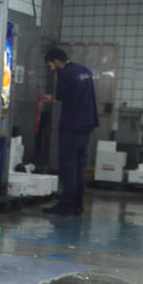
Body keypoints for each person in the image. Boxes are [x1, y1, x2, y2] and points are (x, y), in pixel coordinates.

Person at [43, 47, 98, 216]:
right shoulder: (85, 71)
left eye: (50, 65)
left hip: (71, 126)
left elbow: (59, 99)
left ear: (57, 61)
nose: (51, 69)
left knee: (68, 166)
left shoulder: (65, 74)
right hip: (87, 124)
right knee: (80, 166)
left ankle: (66, 205)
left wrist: (48, 98)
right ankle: (78, 205)